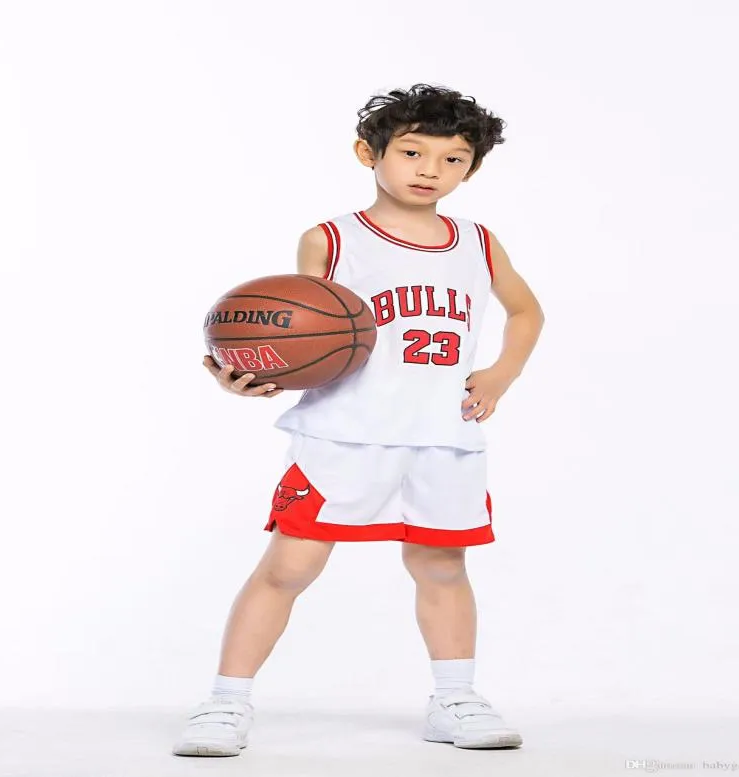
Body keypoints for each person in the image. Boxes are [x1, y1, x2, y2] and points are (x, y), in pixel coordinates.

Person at [173, 83, 545, 757]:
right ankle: (224, 702)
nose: (431, 169)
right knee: (289, 565)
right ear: (367, 153)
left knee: (441, 566)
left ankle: (455, 696)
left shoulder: (479, 242)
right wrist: (256, 378)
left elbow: (527, 311)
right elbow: (299, 335)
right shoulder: (331, 239)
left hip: (442, 432)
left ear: (472, 169)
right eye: (411, 151)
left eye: (453, 159)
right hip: (344, 432)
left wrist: (500, 373)